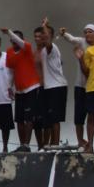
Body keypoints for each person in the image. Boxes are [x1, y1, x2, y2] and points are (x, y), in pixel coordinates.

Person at [2, 27, 44, 152]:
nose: (15, 42)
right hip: (19, 90)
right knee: (19, 119)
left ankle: (27, 144)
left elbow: (19, 42)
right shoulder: (9, 52)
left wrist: (9, 32)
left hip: (31, 88)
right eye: (12, 40)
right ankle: (22, 144)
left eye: (17, 39)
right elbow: (10, 70)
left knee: (29, 118)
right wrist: (9, 87)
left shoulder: (27, 48)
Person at [59, 24, 94, 149]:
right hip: (80, 85)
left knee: (92, 115)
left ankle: (91, 142)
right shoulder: (81, 42)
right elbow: (72, 39)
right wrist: (64, 34)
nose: (87, 34)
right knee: (79, 116)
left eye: (90, 32)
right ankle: (80, 140)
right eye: (85, 32)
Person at [37, 18, 68, 147]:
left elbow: (48, 41)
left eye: (45, 34)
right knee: (47, 119)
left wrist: (44, 26)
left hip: (57, 87)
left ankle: (55, 145)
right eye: (42, 34)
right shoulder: (43, 51)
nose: (43, 36)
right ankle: (46, 145)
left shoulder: (52, 47)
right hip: (48, 88)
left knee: (55, 119)